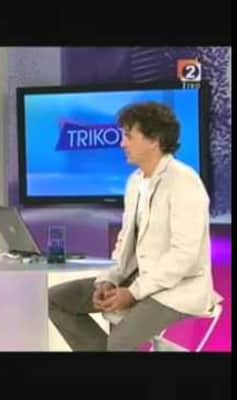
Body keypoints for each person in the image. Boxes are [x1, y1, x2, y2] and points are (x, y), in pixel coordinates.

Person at [48, 102, 221, 351]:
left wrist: (134, 293)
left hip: (177, 288)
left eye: (129, 136)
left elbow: (184, 256)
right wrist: (108, 280)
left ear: (154, 140)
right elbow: (125, 241)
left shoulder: (184, 182)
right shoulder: (135, 182)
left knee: (119, 343)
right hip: (136, 280)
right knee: (55, 300)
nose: (122, 144)